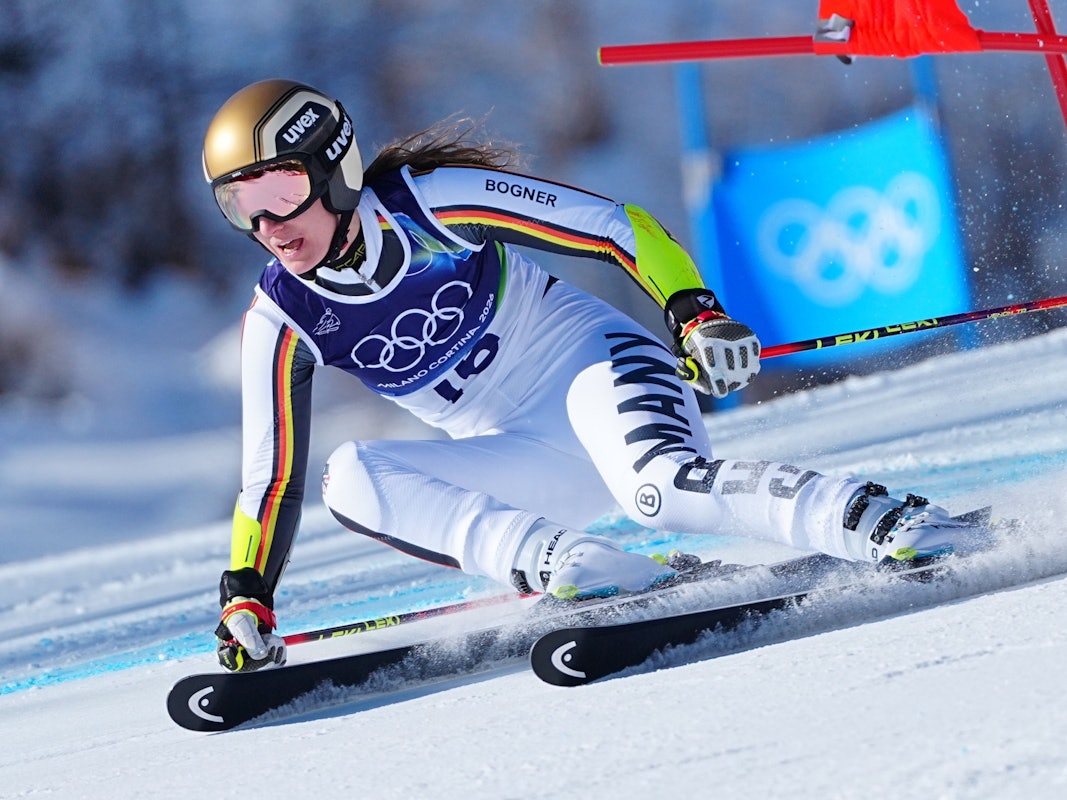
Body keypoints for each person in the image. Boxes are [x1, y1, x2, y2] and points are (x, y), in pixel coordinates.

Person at [202, 79, 981, 672]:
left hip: (593, 371)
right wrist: (247, 593)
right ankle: (580, 568)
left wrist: (694, 312)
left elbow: (618, 225)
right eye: (241, 206)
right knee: (350, 477)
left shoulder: (433, 203)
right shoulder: (281, 319)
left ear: (332, 171)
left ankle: (877, 520)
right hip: (519, 457)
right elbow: (268, 483)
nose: (269, 226)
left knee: (662, 491)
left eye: (282, 192)